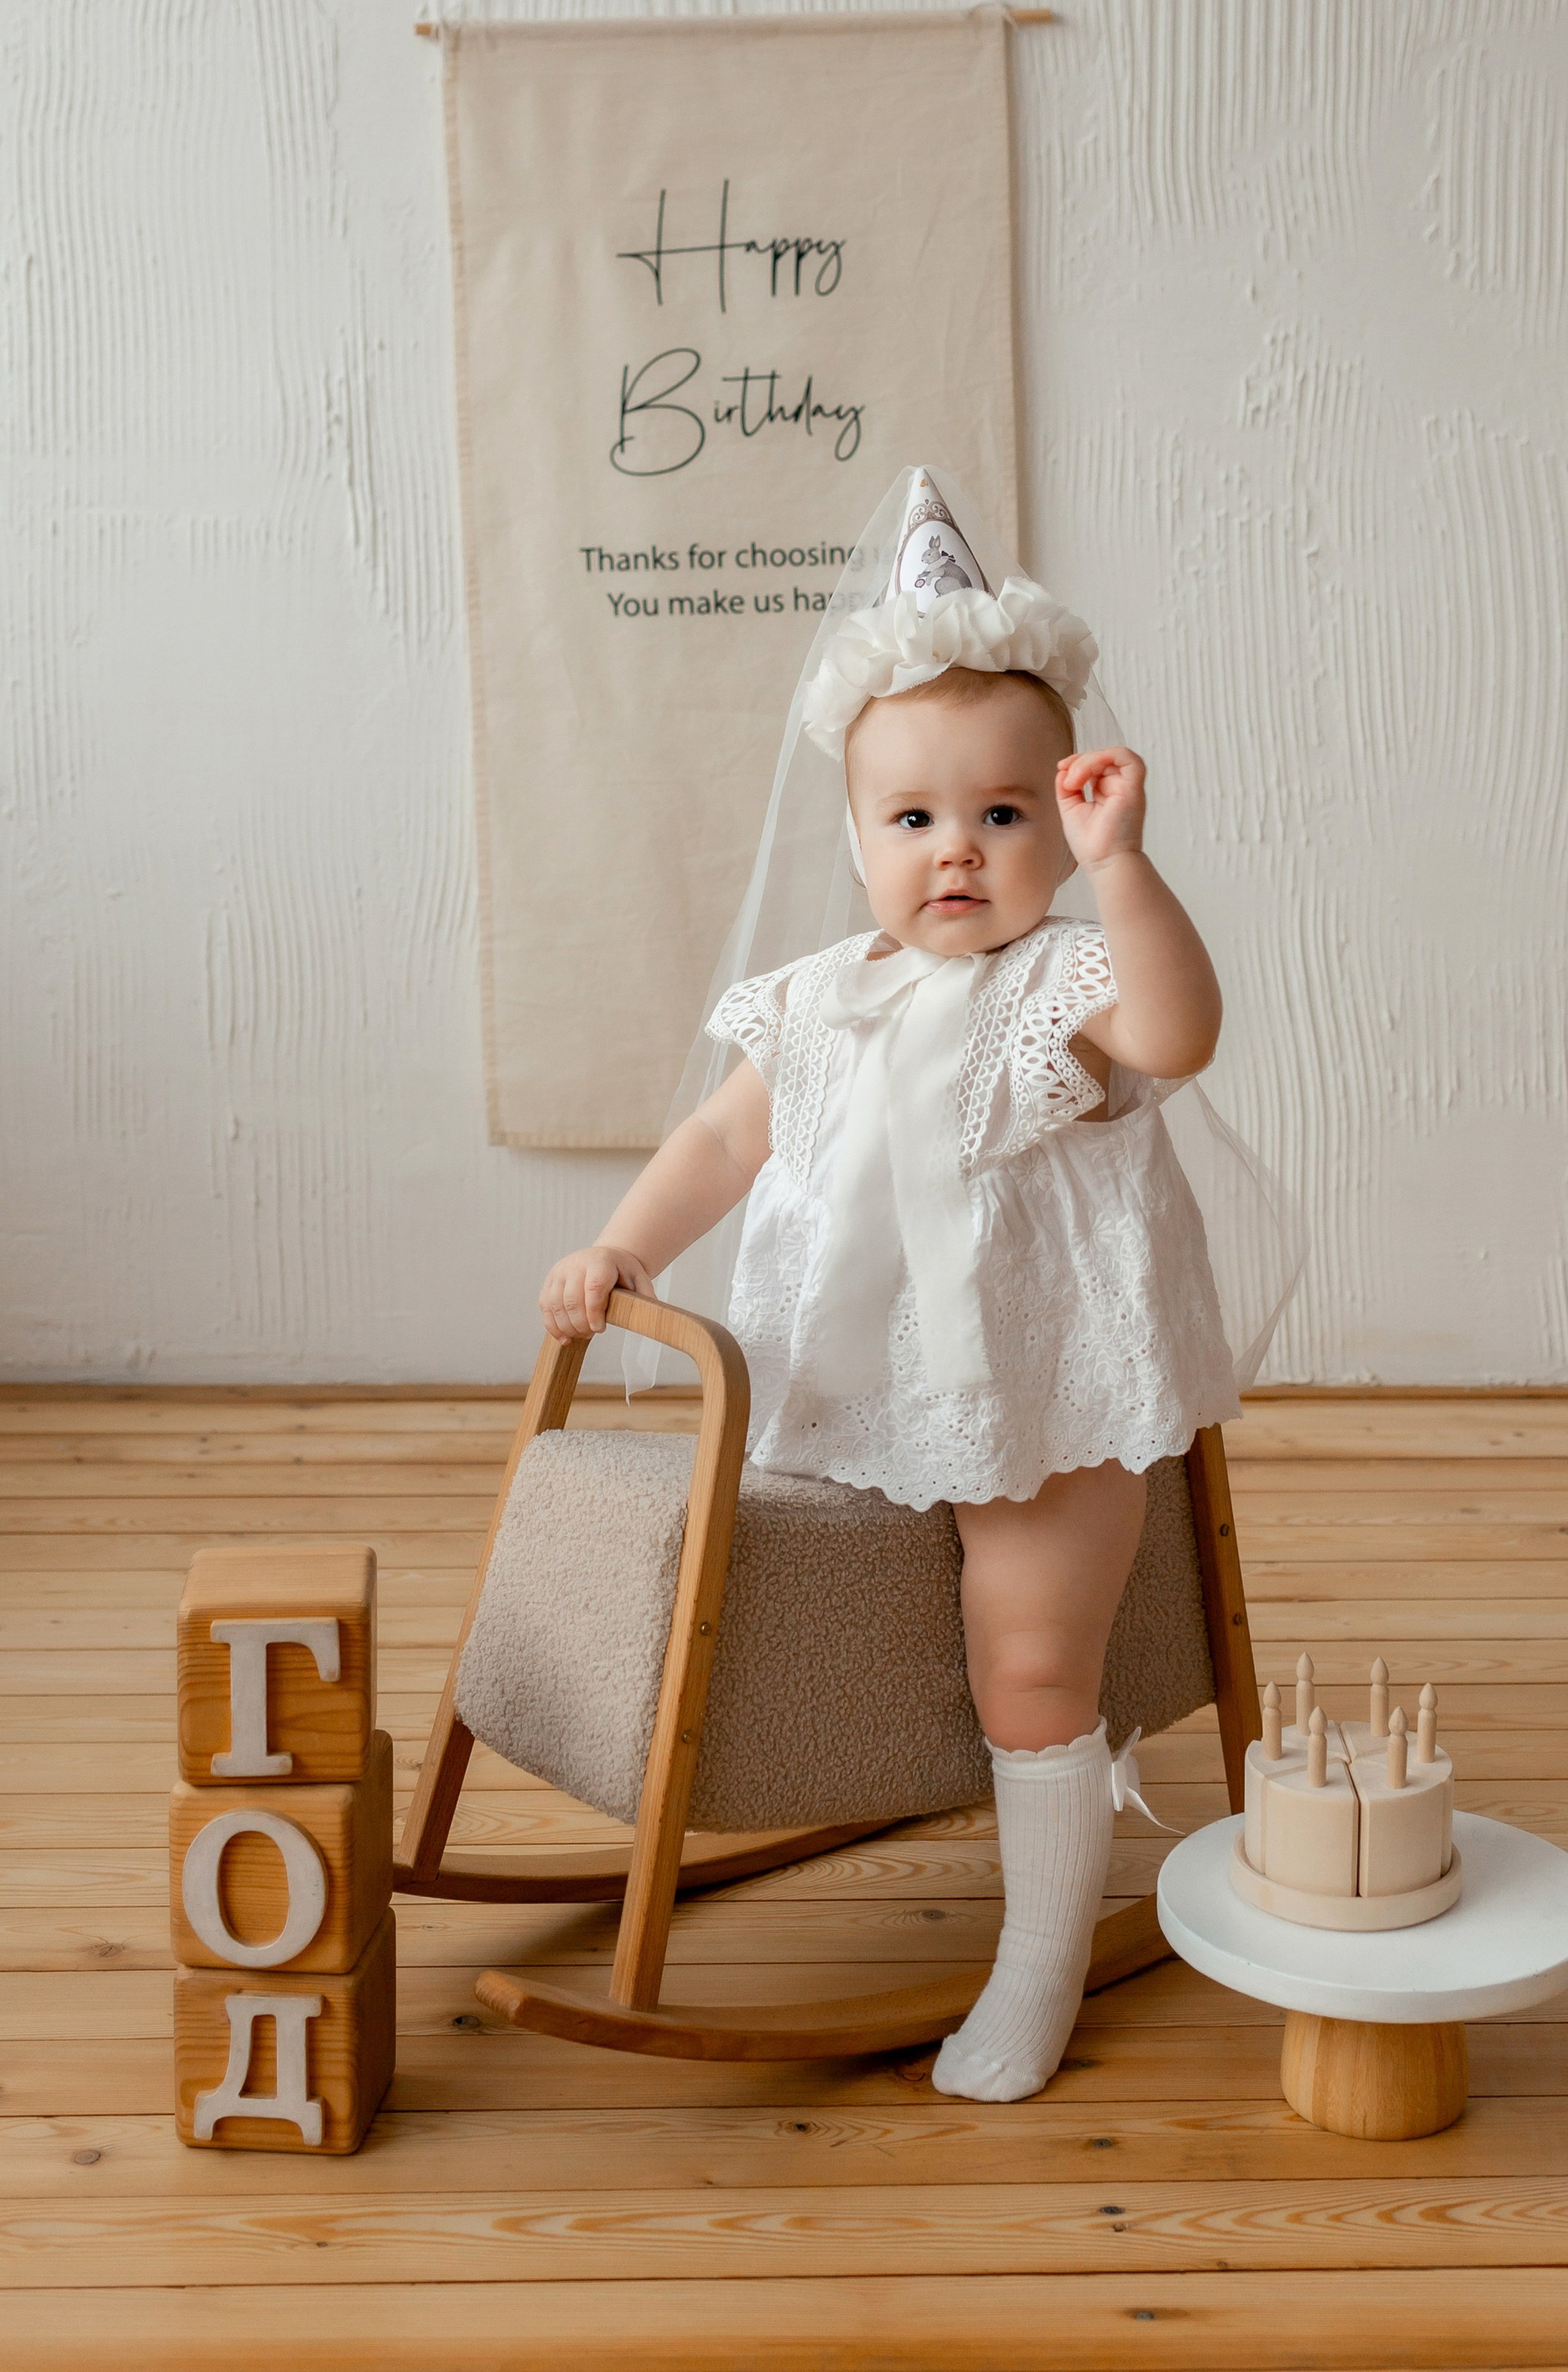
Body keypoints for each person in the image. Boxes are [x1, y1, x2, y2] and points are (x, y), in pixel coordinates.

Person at [539, 473, 1274, 2101]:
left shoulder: (1067, 977)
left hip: (1042, 1392)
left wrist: (1125, 868)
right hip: (856, 1388)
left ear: (1057, 819)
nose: (960, 850)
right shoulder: (815, 1001)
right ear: (855, 835)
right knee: (860, 1606)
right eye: (916, 819)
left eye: (1006, 814)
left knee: (1023, 1658)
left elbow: (1178, 1037)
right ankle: (860, 1768)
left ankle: (1035, 1961)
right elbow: (719, 1140)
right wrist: (626, 1247)